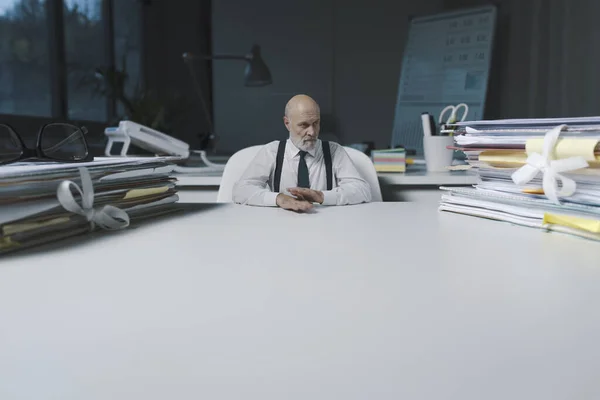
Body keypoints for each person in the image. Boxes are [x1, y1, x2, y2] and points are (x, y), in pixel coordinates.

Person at [232, 94, 372, 211]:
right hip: (281, 226)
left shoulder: (334, 151)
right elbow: (241, 190)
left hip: (327, 226)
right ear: (287, 123)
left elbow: (362, 191)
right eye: (304, 125)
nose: (312, 132)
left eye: (316, 123)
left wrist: (322, 196)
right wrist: (278, 198)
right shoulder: (272, 152)